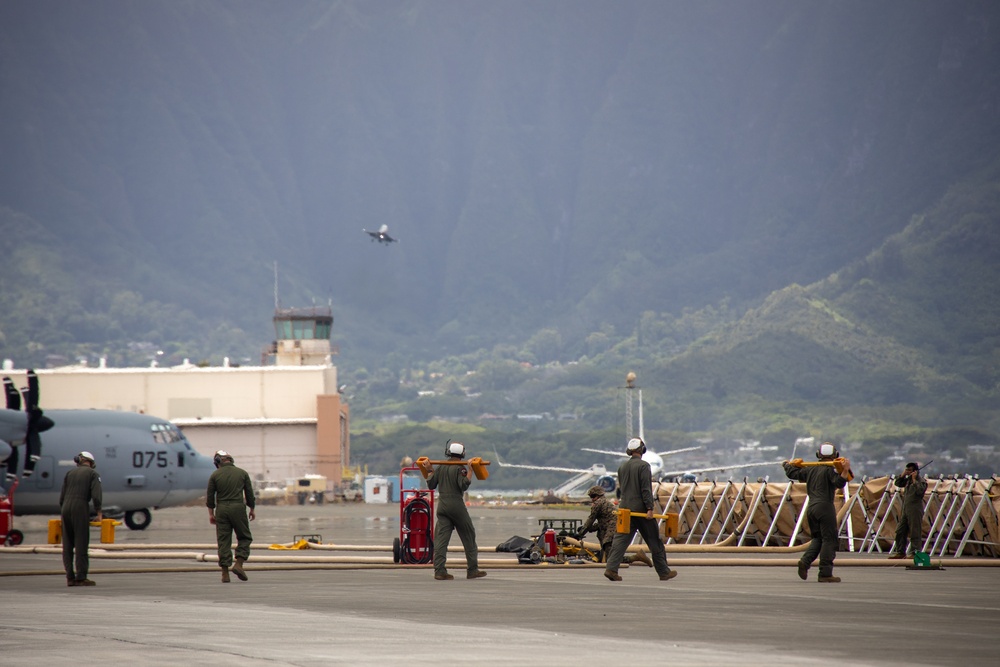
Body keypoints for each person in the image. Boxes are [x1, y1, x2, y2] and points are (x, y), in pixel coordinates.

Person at [602, 438, 675, 582]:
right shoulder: (644, 466)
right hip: (641, 511)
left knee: (620, 541)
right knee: (655, 542)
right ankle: (664, 572)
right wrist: (649, 508)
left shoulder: (622, 467)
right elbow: (645, 489)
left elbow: (623, 488)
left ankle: (611, 569)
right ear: (642, 449)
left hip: (625, 510)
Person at [783, 442, 852, 583]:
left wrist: (786, 465)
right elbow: (840, 483)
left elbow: (792, 473)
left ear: (818, 455)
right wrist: (845, 470)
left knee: (817, 539)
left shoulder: (810, 469)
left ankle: (805, 561)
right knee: (829, 540)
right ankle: (825, 573)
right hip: (825, 507)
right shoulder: (830, 470)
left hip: (811, 508)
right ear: (835, 455)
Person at [427, 441, 486, 580]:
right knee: (469, 535)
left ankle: (439, 571)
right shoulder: (460, 468)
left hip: (442, 505)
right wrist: (470, 470)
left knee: (441, 540)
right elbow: (464, 485)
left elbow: (431, 484)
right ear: (462, 454)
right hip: (456, 505)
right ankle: (472, 569)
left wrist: (430, 469)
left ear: (449, 452)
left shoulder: (441, 467)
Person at [206, 450, 255, 583]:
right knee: (244, 537)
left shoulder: (214, 475)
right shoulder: (242, 473)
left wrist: (211, 514)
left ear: (218, 462)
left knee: (223, 540)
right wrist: (252, 509)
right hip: (238, 508)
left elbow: (210, 497)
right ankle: (238, 564)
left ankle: (225, 573)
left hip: (221, 509)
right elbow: (249, 494)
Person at [577, 485, 652, 567]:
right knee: (609, 554)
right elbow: (603, 522)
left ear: (599, 496)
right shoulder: (606, 502)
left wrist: (581, 533)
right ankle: (635, 557)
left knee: (611, 557)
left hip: (612, 529)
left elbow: (591, 519)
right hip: (615, 527)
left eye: (593, 496)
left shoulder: (598, 503)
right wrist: (589, 528)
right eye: (591, 497)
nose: (592, 499)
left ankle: (636, 557)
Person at [59, 451, 103, 586]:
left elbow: (62, 497)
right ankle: (81, 577)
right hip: (80, 506)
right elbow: (96, 495)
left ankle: (70, 577)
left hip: (65, 507)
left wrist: (65, 509)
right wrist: (99, 513)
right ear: (91, 462)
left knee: (67, 545)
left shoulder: (70, 473)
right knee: (81, 543)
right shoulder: (92, 474)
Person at [889, 462, 928, 559]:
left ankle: (915, 552)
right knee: (900, 531)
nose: (908, 472)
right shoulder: (907, 481)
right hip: (906, 509)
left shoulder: (921, 481)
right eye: (907, 470)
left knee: (915, 531)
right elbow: (898, 483)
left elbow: (919, 491)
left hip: (915, 509)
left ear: (915, 471)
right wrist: (903, 474)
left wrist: (914, 480)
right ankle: (900, 551)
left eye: (910, 470)